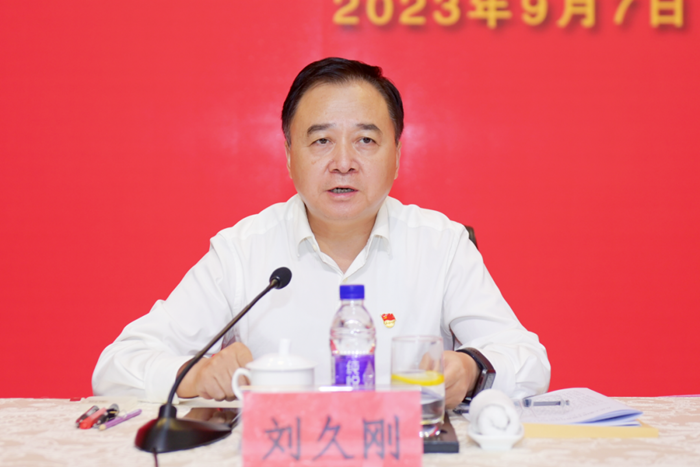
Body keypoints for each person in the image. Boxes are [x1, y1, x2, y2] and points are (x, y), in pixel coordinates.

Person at [93, 58, 550, 407]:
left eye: (366, 140)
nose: (344, 162)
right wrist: (193, 377)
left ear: (397, 156)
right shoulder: (242, 251)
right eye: (321, 141)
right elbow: (117, 365)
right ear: (289, 155)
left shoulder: (442, 245)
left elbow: (527, 359)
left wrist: (470, 370)